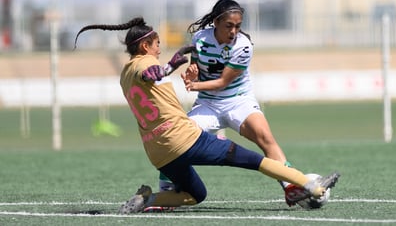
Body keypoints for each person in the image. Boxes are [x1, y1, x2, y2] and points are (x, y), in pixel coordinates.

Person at [74, 17, 340, 214]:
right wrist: (171, 63)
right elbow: (152, 74)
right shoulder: (147, 63)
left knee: (196, 195)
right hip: (184, 138)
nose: (159, 49)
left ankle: (149, 199)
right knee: (256, 160)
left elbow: (150, 86)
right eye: (156, 45)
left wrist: (184, 71)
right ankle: (311, 186)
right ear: (144, 46)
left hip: (156, 151)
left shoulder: (124, 73)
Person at [159, 0, 302, 206]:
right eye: (229, 26)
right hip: (208, 105)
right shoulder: (200, 39)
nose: (234, 31)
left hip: (239, 101)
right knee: (175, 139)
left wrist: (194, 86)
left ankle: (290, 186)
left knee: (264, 136)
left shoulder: (243, 46)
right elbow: (197, 72)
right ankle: (167, 192)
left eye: (238, 26)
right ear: (216, 22)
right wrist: (192, 75)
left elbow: (223, 82)